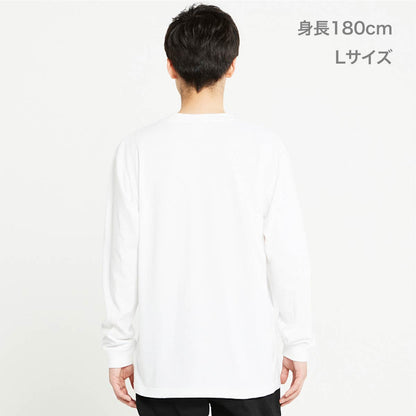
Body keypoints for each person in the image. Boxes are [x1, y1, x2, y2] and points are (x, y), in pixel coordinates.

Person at [101, 3, 314, 415]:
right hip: (247, 363)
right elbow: (288, 255)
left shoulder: (137, 149)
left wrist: (118, 348)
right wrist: (297, 341)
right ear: (232, 66)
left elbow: (121, 258)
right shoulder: (264, 148)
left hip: (165, 365)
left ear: (170, 67)